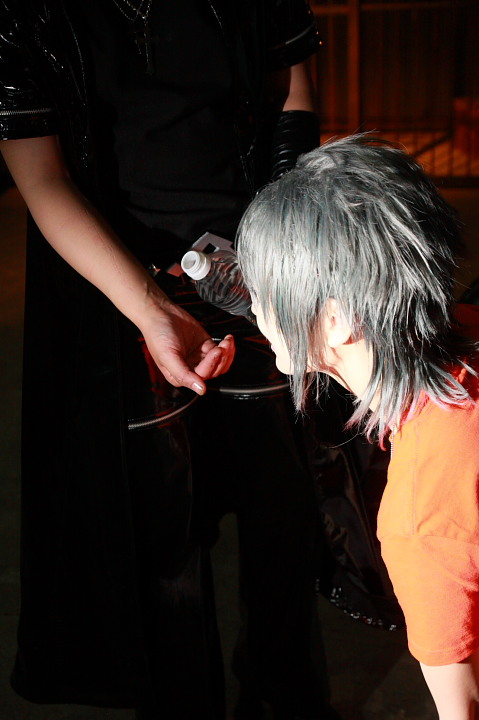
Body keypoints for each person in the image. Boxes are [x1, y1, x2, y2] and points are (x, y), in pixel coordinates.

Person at [0, 2, 340, 719]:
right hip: (117, 295)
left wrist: (284, 245)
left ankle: (286, 701)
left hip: (257, 270)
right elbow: (42, 178)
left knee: (286, 513)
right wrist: (149, 308)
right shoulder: (24, 11)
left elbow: (292, 89)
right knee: (163, 542)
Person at [237, 134, 479, 720]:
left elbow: (463, 705)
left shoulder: (420, 521)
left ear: (338, 320)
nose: (256, 309)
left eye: (267, 293)